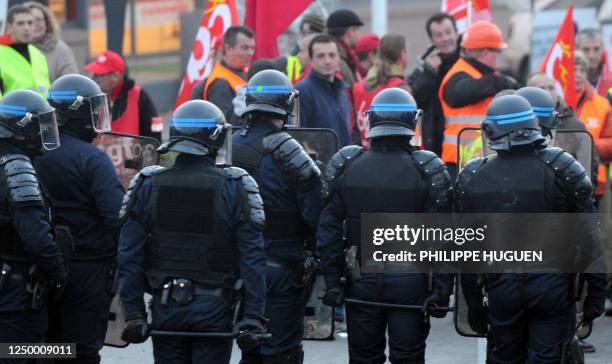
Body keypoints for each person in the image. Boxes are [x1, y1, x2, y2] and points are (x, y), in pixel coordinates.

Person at [456, 94, 607, 363]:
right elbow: (589, 237)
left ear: (491, 131)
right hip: (552, 285)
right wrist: (595, 290)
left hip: (502, 286)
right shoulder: (562, 168)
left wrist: (473, 303)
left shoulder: (473, 176)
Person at [117, 99, 267, 363]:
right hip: (214, 309)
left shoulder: (148, 184)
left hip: (166, 307)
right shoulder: (235, 185)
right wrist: (252, 317)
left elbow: (129, 256)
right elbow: (252, 258)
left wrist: (134, 313)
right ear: (217, 138)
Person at [317, 87, 452, 364]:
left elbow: (328, 230)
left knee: (364, 357)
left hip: (361, 278)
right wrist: (441, 289)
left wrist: (332, 281)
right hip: (409, 280)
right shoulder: (427, 170)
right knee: (408, 357)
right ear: (412, 122)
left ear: (373, 121)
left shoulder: (348, 164)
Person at [233, 70, 321, 363]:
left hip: (231, 268)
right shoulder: (287, 150)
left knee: (249, 350)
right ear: (285, 104)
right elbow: (315, 213)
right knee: (280, 352)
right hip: (279, 268)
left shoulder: (228, 145)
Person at [35, 74, 124, 362]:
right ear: (79, 114)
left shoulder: (30, 153)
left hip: (36, 266)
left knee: (43, 346)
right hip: (86, 269)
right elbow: (116, 216)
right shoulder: (92, 159)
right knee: (81, 349)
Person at [0, 89, 66, 355]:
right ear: (22, 130)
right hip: (13, 292)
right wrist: (59, 273)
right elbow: (36, 238)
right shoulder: (16, 166)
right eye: (41, 127)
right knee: (20, 354)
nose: (44, 134)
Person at [439, 20, 519, 178]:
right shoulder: (458, 75)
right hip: (459, 161)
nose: (499, 57)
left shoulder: (482, 75)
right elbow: (460, 93)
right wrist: (499, 82)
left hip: (481, 157)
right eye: (498, 51)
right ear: (485, 53)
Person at [407, 13, 460, 156]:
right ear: (432, 39)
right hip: (432, 145)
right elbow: (413, 99)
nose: (445, 39)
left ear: (456, 32)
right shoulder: (423, 65)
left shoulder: (469, 59)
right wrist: (429, 74)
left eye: (448, 32)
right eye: (439, 35)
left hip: (463, 142)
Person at [85, 50, 161, 141]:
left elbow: (154, 135)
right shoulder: (88, 97)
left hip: (132, 154)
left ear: (115, 76)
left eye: (98, 75)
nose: (93, 79)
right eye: (93, 74)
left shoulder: (140, 97)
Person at [190, 26, 255, 125]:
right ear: (227, 48)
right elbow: (225, 126)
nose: (250, 53)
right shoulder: (220, 84)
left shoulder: (246, 72)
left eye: (252, 48)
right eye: (244, 48)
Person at [353, 34, 409, 149]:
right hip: (394, 156)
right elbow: (411, 132)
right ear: (402, 55)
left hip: (366, 156)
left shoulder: (358, 87)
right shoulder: (400, 89)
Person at [296, 34, 351, 147]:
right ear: (311, 60)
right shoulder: (302, 92)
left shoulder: (342, 91)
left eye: (332, 55)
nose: (327, 61)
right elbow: (297, 137)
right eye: (321, 56)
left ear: (339, 58)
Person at [574, 51, 612, 201]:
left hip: (594, 184)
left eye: (582, 70)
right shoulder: (553, 102)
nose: (578, 75)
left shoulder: (602, 105)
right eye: (573, 70)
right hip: (559, 185)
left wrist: (587, 145)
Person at [0, 5, 51, 97]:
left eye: (30, 23)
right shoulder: (1, 52)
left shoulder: (38, 53)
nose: (27, 28)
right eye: (20, 23)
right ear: (9, 27)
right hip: (13, 110)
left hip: (44, 109)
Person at [25, 1, 78, 82]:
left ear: (47, 23)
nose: (35, 24)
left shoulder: (61, 50)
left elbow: (71, 82)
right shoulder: (12, 50)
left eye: (39, 19)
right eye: (30, 21)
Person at [326, 9, 365, 87]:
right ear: (350, 32)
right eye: (358, 30)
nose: (360, 35)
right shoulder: (338, 60)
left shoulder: (345, 57)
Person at [576, 28, 612, 97]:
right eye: (586, 50)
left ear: (602, 49)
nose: (591, 56)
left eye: (596, 49)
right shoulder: (569, 82)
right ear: (577, 49)